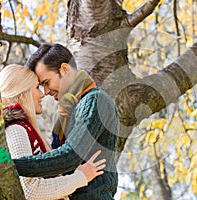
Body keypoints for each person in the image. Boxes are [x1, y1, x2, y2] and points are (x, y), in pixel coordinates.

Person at [12, 43, 119, 199]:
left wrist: (9, 164)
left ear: (65, 69)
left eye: (46, 83)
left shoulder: (95, 101)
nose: (46, 92)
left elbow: (69, 156)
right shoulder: (68, 112)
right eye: (41, 87)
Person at [0, 64, 107, 200]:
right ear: (22, 92)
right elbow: (30, 190)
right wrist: (80, 177)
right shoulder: (16, 129)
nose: (42, 94)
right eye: (37, 87)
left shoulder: (23, 128)